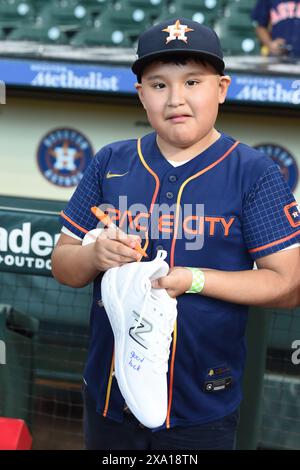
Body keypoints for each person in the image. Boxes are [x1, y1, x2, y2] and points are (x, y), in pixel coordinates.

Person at [51, 18, 300, 450]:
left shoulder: (254, 173)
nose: (176, 98)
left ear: (221, 88)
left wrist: (193, 280)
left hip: (202, 403)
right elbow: (63, 263)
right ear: (141, 94)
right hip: (109, 396)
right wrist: (95, 257)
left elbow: (288, 283)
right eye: (159, 84)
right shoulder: (111, 161)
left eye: (193, 81)